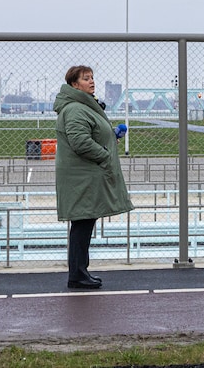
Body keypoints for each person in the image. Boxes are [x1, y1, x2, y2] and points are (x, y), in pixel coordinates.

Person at [53, 65, 133, 289]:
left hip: (84, 175)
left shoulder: (82, 107)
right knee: (82, 224)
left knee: (84, 222)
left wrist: (109, 138)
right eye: (85, 78)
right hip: (82, 177)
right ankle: (77, 275)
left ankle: (80, 272)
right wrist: (105, 154)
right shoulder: (77, 109)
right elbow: (80, 142)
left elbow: (89, 136)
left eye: (92, 77)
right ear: (74, 85)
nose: (91, 81)